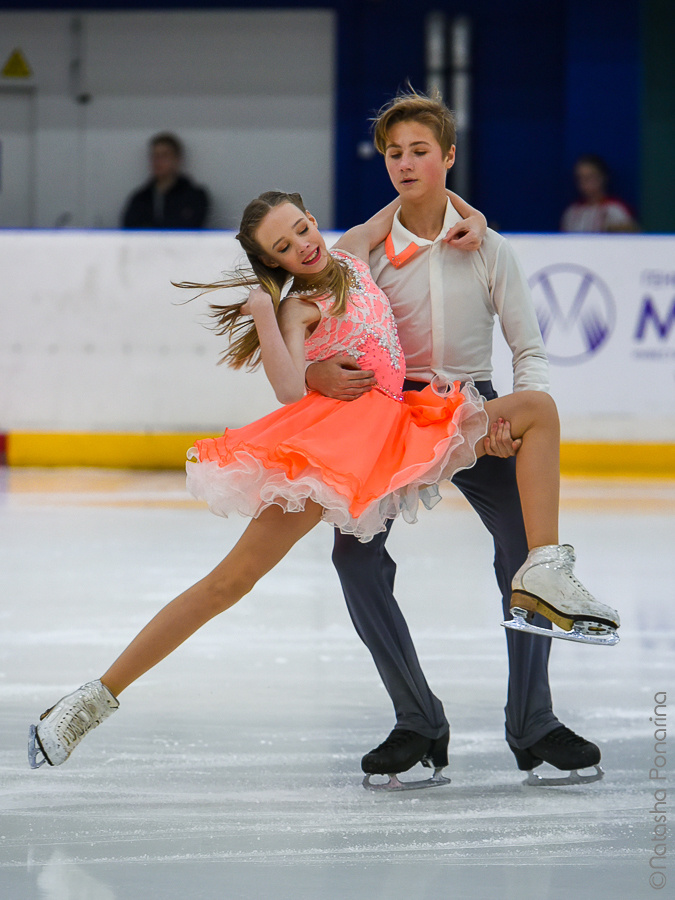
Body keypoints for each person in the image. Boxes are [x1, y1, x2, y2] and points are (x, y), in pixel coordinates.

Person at [28, 190, 619, 777]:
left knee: (537, 408)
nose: (302, 247)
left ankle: (544, 569)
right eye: (283, 248)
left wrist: (474, 215)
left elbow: (412, 194)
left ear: (313, 219)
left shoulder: (354, 252)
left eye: (302, 230)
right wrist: (267, 314)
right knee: (231, 580)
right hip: (336, 446)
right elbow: (288, 390)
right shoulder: (297, 305)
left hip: (407, 424)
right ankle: (89, 702)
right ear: (275, 263)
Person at [306, 90, 617, 787]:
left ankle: (532, 725)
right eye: (394, 153)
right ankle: (417, 721)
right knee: (353, 559)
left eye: (420, 150)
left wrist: (507, 416)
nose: (406, 163)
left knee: (525, 557)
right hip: (391, 416)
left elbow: (528, 349)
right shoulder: (367, 253)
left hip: (473, 411)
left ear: (448, 156)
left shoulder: (489, 249)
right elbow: (324, 304)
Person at [121, 132, 210, 230]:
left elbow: (190, 226)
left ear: (177, 159)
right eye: (155, 156)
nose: (158, 161)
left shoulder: (195, 196)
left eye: (164, 155)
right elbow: (129, 229)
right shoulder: (140, 198)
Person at [561, 154, 638, 233]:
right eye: (580, 178)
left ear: (602, 177)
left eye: (589, 177)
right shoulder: (571, 212)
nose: (584, 183)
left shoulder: (615, 209)